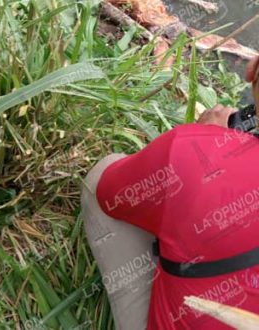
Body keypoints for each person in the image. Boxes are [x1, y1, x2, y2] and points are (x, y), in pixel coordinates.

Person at [81, 59, 259, 328]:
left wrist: (206, 139)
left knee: (103, 176)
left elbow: (110, 193)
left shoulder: (195, 154)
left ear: (253, 70)